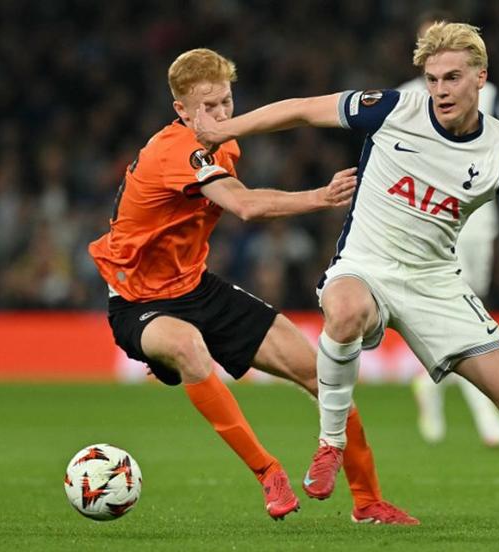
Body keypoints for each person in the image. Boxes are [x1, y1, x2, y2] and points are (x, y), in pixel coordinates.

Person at [196, 24, 499, 528]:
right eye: (432, 79)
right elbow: (303, 108)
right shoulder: (393, 108)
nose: (440, 90)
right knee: (345, 309)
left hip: (435, 282)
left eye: (452, 78)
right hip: (365, 264)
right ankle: (330, 443)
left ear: (480, 78)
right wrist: (227, 129)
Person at [88, 48, 418, 525]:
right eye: (209, 106)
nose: (223, 114)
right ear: (181, 109)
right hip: (138, 300)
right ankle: (268, 472)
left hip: (197, 288)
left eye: (226, 101)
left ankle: (368, 502)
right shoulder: (174, 149)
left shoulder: (226, 146)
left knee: (323, 372)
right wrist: (319, 197)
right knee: (187, 346)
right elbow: (244, 206)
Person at [398, 11, 499, 448]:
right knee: (466, 314)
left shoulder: (490, 94)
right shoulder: (405, 99)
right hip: (431, 218)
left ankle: (429, 386)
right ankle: (487, 418)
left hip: (478, 218)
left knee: (471, 304)